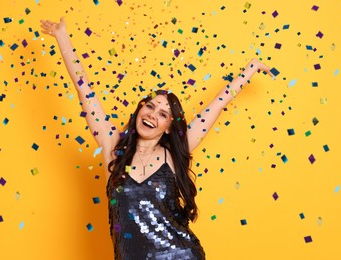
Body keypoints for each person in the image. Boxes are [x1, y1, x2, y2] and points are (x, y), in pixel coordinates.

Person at [40, 17, 274, 260]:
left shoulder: (173, 154)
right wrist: (62, 37)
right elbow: (84, 89)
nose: (152, 115)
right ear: (140, 109)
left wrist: (249, 71)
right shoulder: (112, 146)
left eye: (163, 114)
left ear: (169, 127)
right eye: (149, 107)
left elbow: (216, 105)